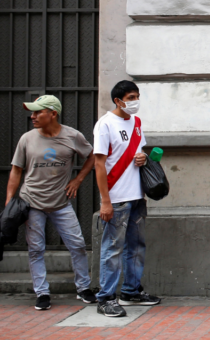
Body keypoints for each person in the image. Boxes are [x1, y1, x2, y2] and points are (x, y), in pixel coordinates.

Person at [6, 95, 96, 311]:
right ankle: (42, 292)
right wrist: (9, 202)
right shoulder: (26, 139)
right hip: (32, 203)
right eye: (32, 112)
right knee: (36, 249)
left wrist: (78, 179)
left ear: (53, 114)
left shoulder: (73, 136)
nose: (33, 116)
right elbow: (16, 170)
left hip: (61, 203)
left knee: (78, 245)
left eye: (38, 112)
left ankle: (83, 288)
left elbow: (92, 156)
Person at [93, 80, 161, 317]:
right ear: (118, 100)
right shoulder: (105, 125)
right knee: (113, 248)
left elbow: (138, 152)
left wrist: (142, 157)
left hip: (137, 195)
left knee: (136, 246)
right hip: (117, 197)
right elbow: (99, 164)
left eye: (137, 96)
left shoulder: (137, 123)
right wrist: (105, 201)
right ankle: (106, 298)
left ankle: (131, 291)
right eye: (131, 97)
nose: (135, 101)